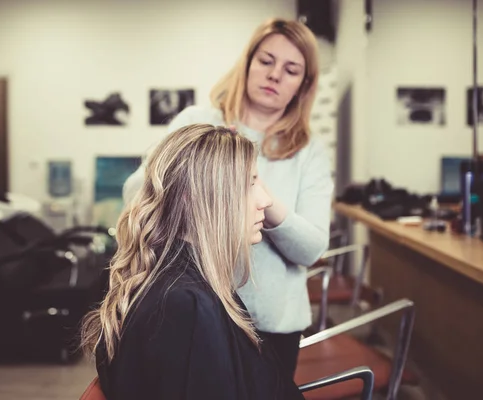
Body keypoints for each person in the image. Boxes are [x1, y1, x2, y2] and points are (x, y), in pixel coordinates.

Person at [122, 18, 333, 378]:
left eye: (291, 69)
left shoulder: (308, 152)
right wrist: (206, 164)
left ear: (304, 84)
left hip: (272, 323)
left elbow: (312, 248)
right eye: (266, 61)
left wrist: (255, 190)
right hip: (196, 310)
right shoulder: (198, 121)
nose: (275, 75)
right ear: (248, 62)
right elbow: (136, 193)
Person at [81, 124, 304, 400]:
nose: (266, 201)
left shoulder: (186, 284)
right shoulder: (186, 306)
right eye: (250, 184)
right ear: (195, 198)